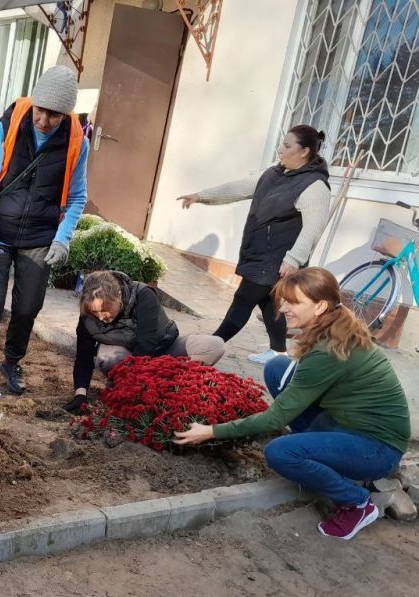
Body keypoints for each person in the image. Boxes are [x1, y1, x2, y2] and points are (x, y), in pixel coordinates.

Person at [175, 267, 410, 540]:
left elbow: (275, 418)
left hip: (379, 448)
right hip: (352, 425)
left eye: (293, 302)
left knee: (281, 453)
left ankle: (357, 502)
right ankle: (322, 456)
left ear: (320, 305)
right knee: (277, 368)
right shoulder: (334, 325)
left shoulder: (329, 349)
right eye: (283, 300)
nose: (284, 308)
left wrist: (211, 430)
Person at [0, 65, 89, 394]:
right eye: (40, 109)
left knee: (27, 307)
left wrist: (63, 239)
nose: (43, 120)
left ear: (66, 114)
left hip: (39, 237)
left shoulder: (76, 141)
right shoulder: (10, 125)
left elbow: (78, 197)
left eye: (53, 114)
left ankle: (11, 361)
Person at [177, 125, 331, 365]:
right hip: (259, 253)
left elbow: (315, 226)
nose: (280, 150)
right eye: (282, 144)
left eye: (287, 146)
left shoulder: (314, 186)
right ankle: (278, 352)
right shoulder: (275, 174)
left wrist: (294, 259)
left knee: (243, 301)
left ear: (304, 152)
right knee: (270, 302)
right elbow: (241, 187)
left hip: (278, 259)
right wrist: (201, 196)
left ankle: (203, 350)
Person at [64, 270, 225, 412]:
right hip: (126, 355)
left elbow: (146, 344)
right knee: (109, 356)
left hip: (161, 347)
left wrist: (146, 379)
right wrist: (80, 395)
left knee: (214, 346)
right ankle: (141, 386)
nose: (101, 316)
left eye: (105, 309)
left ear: (118, 296)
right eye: (95, 311)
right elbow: (83, 358)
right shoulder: (87, 317)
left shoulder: (143, 294)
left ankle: (168, 385)